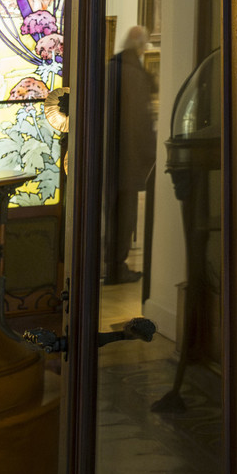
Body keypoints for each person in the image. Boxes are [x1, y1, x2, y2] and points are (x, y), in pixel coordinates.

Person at [105, 22, 156, 285]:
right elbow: (140, 122)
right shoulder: (134, 75)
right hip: (127, 159)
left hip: (107, 159)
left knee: (109, 213)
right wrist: (151, 154)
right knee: (124, 216)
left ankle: (109, 266)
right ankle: (116, 268)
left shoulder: (110, 69)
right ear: (140, 47)